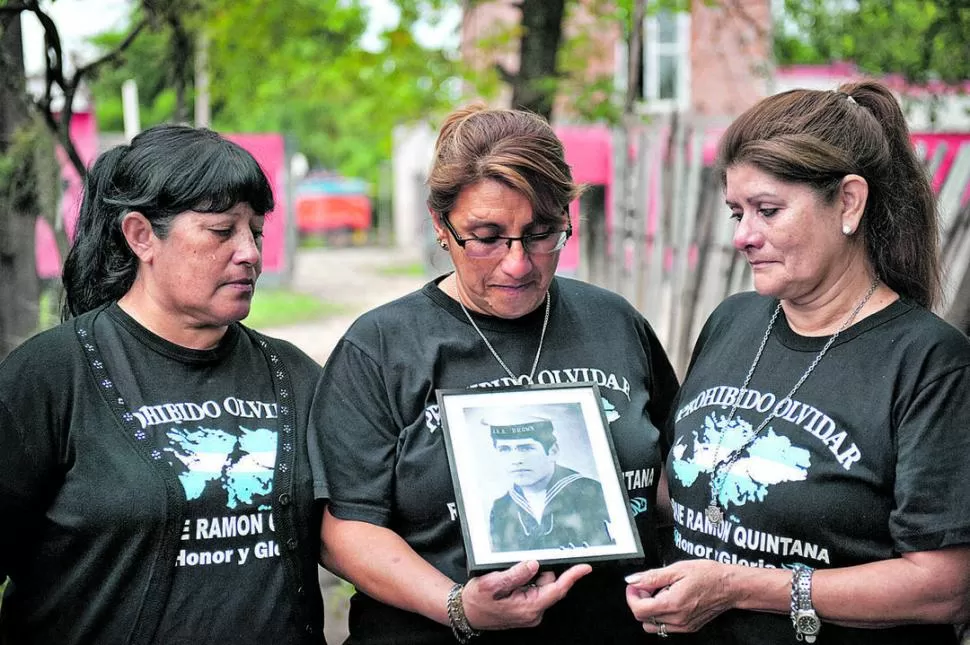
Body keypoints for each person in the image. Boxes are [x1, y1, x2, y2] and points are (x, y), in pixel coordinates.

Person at [311, 104, 680, 644]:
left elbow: (674, 473)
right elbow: (344, 530)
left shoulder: (615, 322)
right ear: (441, 225)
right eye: (486, 237)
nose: (518, 263)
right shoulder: (382, 347)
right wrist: (457, 606)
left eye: (541, 233)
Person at [625, 80, 970, 643]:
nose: (743, 236)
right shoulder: (733, 322)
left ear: (849, 202)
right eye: (736, 212)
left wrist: (741, 587)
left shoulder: (929, 363)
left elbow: (946, 584)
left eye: (767, 210)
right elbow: (678, 486)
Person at [0, 124, 326, 644]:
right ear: (141, 235)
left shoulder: (293, 376)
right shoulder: (50, 378)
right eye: (222, 231)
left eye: (256, 232)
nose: (250, 254)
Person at [487, 415, 615, 552]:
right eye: (504, 449)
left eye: (526, 448)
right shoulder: (501, 507)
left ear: (553, 451)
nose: (516, 460)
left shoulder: (592, 492)